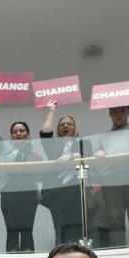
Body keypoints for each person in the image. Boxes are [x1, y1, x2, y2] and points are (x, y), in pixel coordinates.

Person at [93, 96, 129, 247]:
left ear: (128, 112)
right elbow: (98, 161)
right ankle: (119, 252)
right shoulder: (104, 137)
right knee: (114, 219)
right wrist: (99, 153)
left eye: (122, 111)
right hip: (111, 180)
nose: (118, 115)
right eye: (115, 112)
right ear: (110, 114)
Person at [39, 101, 89, 244]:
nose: (66, 126)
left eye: (69, 124)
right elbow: (45, 133)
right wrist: (51, 111)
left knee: (77, 224)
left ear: (75, 128)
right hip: (57, 191)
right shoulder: (53, 144)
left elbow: (86, 156)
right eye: (62, 124)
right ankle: (61, 249)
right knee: (59, 224)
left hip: (76, 189)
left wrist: (71, 157)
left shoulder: (83, 142)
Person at [0, 118, 43, 252]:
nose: (18, 133)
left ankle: (28, 252)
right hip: (9, 194)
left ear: (28, 135)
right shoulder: (5, 150)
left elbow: (42, 177)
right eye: (15, 132)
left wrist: (38, 164)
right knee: (11, 228)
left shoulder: (34, 154)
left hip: (29, 195)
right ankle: (12, 253)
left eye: (21, 131)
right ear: (11, 136)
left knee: (27, 228)